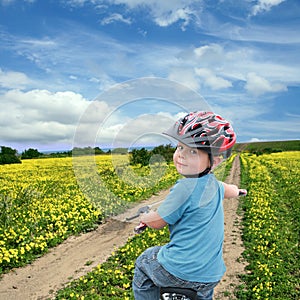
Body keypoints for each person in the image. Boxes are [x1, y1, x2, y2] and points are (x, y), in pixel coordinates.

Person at [132, 111, 247, 300]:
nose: (181, 156)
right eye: (179, 147)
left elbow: (157, 221)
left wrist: (144, 216)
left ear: (215, 161)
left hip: (178, 270)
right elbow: (230, 190)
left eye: (193, 151)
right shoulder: (216, 185)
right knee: (203, 292)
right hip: (211, 275)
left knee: (145, 261)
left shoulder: (184, 187)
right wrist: (239, 190)